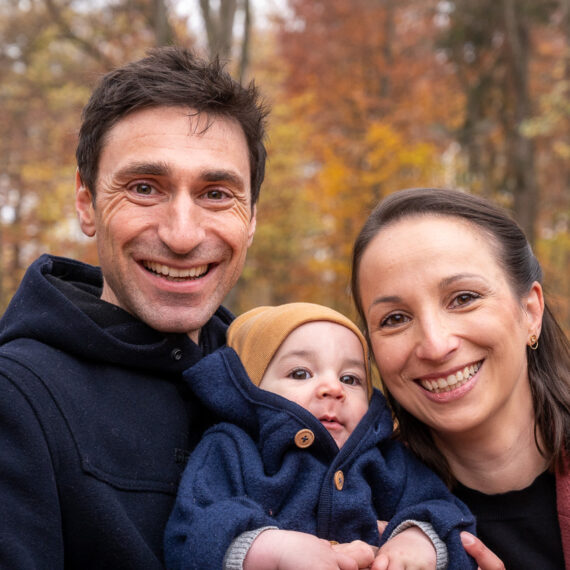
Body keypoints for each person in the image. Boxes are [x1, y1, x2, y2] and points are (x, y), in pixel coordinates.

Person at [0, 46, 268, 568]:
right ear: (87, 204)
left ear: (252, 218)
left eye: (216, 194)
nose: (182, 236)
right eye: (145, 188)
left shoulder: (276, 385)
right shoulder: (17, 398)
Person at [351, 188, 570, 569]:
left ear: (530, 311)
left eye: (464, 298)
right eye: (395, 319)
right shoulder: (354, 515)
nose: (435, 346)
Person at [165, 302, 477, 570]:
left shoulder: (387, 460)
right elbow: (191, 533)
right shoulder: (231, 449)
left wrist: (419, 540)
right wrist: (272, 550)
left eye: (350, 378)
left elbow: (446, 512)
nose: (334, 388)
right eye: (300, 373)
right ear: (249, 387)